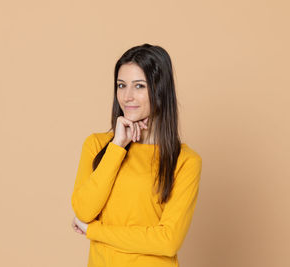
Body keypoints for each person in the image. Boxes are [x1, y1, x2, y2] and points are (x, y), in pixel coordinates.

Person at [71, 43, 202, 267]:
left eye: (139, 86)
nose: (127, 96)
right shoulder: (98, 145)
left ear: (160, 90)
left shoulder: (185, 161)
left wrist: (94, 230)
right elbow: (83, 210)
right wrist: (117, 146)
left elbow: (167, 241)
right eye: (121, 85)